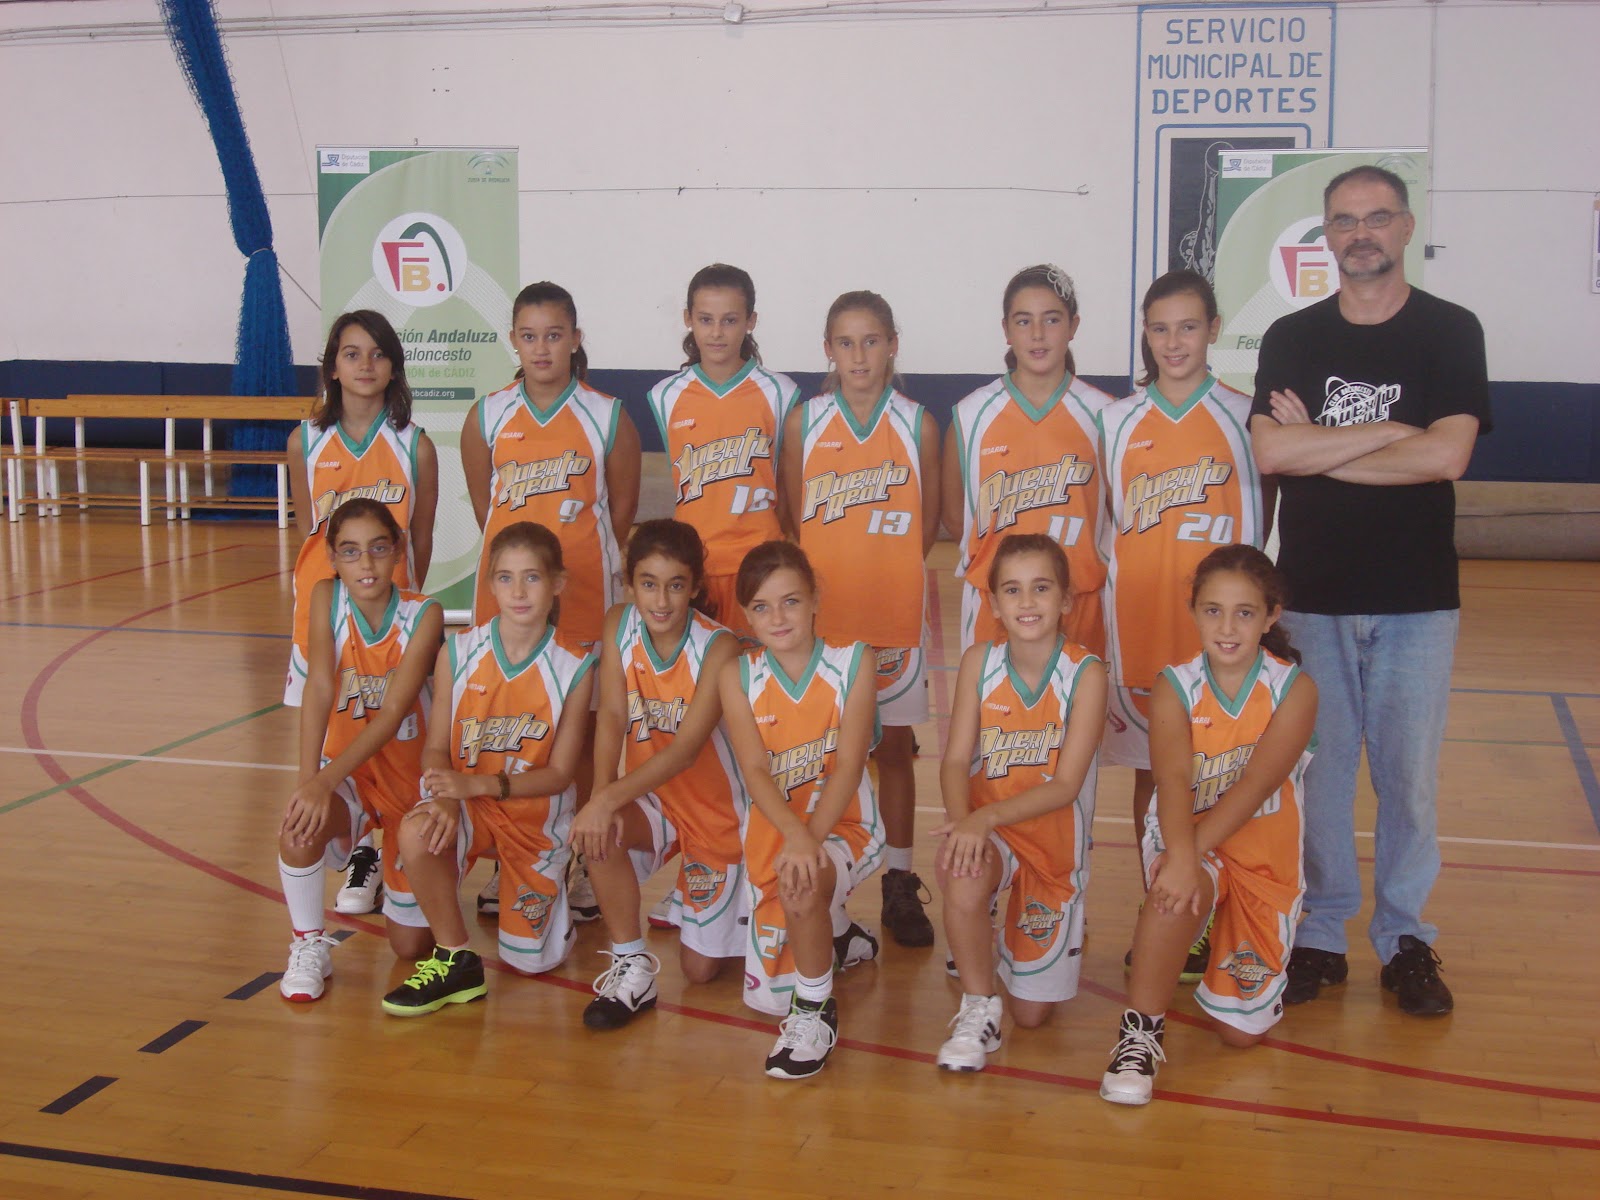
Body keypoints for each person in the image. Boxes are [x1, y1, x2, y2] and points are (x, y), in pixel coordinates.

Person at [1250, 164, 1491, 1016]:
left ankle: (1405, 939)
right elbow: (1273, 453)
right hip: (1313, 596)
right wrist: (1391, 432)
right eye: (1345, 220)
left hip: (1417, 599)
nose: (1361, 233)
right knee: (1320, 779)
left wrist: (1323, 442)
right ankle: (1320, 935)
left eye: (1377, 217)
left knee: (1407, 782)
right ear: (1327, 234)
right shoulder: (1293, 337)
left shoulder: (1450, 330)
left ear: (1406, 227)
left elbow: (1447, 456)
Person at [1100, 545, 1316, 1105]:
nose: (1227, 627)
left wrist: (1189, 856)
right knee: (1175, 892)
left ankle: (1228, 944)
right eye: (1213, 610)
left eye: (1244, 613)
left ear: (1270, 616)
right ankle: (1139, 1034)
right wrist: (1182, 859)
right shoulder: (1175, 685)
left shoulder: (1295, 690)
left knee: (1239, 1035)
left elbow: (1256, 786)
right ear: (1193, 611)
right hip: (1186, 832)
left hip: (1265, 851)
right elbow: (1173, 780)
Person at [1099, 269, 1265, 979]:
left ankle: (1223, 917)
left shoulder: (1246, 418)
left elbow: (1263, 531)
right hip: (1141, 622)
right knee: (1153, 773)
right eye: (1160, 329)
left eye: (1188, 327)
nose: (1173, 343)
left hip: (1222, 632)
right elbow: (1105, 528)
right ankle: (1162, 909)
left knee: (1225, 776)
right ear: (1145, 332)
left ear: (1214, 330)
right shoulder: (1115, 421)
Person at [460, 282, 641, 923]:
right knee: (510, 733)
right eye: (530, 336)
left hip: (585, 595)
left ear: (575, 339)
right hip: (508, 602)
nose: (542, 348)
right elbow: (487, 512)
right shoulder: (487, 416)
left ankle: (581, 856)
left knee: (583, 734)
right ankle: (510, 857)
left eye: (555, 335)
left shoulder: (607, 416)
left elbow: (620, 516)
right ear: (513, 340)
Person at [380, 522, 596, 1016]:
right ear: (490, 585)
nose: (518, 592)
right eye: (505, 578)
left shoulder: (575, 666)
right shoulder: (458, 651)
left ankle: (552, 891)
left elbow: (561, 774)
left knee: (530, 964)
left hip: (534, 822)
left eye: (532, 578)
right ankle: (456, 957)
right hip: (468, 806)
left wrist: (474, 784)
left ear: (557, 583)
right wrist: (444, 799)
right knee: (416, 839)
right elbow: (435, 749)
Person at [781, 290, 940, 949]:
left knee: (894, 751)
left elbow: (929, 525)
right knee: (827, 757)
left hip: (894, 615)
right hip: (827, 622)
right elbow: (792, 516)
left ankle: (899, 881)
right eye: (845, 343)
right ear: (828, 350)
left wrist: (886, 568)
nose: (859, 355)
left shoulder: (918, 424)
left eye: (871, 341)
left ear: (893, 344)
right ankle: (832, 886)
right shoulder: (805, 423)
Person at [284, 310, 439, 916]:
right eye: (351, 354)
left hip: (390, 626)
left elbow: (419, 538)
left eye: (377, 353)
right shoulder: (305, 442)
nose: (365, 365)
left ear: (394, 366)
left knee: (392, 741)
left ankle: (381, 847)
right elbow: (310, 534)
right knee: (335, 737)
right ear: (332, 368)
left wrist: (404, 600)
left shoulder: (415, 445)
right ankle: (360, 850)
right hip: (324, 619)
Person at [934, 534, 1103, 1071]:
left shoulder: (1086, 673)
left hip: (1053, 850)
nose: (1027, 602)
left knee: (1030, 1015)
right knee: (961, 868)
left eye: (1041, 588)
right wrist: (964, 825)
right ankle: (978, 1006)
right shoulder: (979, 662)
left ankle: (999, 936)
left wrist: (981, 818)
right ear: (994, 603)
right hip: (995, 836)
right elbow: (954, 761)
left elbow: (1066, 785)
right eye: (1012, 590)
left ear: (1066, 599)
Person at [571, 520, 747, 1030]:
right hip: (656, 801)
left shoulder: (719, 648)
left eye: (675, 585)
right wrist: (601, 795)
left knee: (700, 971)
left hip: (718, 815)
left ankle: (793, 915)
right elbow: (612, 714)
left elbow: (685, 752)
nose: (661, 600)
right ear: (630, 584)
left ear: (695, 587)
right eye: (648, 583)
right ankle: (631, 965)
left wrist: (605, 800)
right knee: (599, 833)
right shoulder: (618, 623)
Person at [717, 541, 884, 1079]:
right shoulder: (737, 676)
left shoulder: (854, 662)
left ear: (815, 599)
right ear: (747, 616)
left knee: (802, 883)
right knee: (754, 990)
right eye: (761, 607)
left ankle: (815, 1012)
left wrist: (808, 839)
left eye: (790, 601)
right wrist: (794, 834)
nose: (778, 617)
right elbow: (754, 771)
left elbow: (849, 766)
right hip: (776, 833)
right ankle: (840, 933)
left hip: (846, 825)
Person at [276, 498, 443, 1002]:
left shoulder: (424, 614)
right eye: (350, 551)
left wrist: (323, 781)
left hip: (410, 787)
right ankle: (308, 943)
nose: (365, 564)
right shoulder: (327, 597)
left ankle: (392, 864)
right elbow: (319, 687)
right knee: (297, 828)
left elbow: (391, 714)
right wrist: (309, 782)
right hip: (350, 775)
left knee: (410, 948)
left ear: (398, 551)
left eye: (377, 549)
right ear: (332, 557)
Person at [944, 264, 1111, 658]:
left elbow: (1115, 515)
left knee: (1081, 700)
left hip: (1080, 604)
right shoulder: (971, 415)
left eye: (1051, 319)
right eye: (1023, 321)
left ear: (1073, 326)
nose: (1037, 334)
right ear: (1006, 329)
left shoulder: (1106, 416)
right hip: (995, 608)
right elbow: (955, 516)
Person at [646, 264, 801, 638]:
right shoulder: (666, 396)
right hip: (694, 566)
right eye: (705, 319)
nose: (716, 332)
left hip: (761, 566)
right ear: (688, 319)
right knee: (703, 669)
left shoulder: (780, 393)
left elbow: (790, 489)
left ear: (750, 322)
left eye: (729, 320)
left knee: (758, 670)